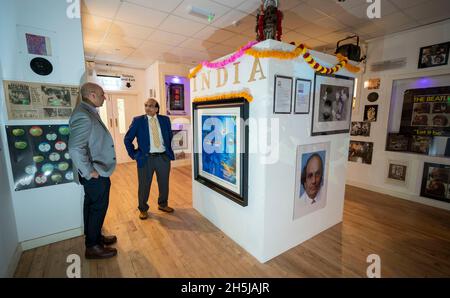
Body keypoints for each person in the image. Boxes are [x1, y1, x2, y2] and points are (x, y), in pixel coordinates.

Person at [68, 82, 118, 259]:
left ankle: (95, 238)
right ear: (92, 94)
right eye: (102, 94)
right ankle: (93, 247)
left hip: (94, 171)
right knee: (98, 208)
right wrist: (90, 172)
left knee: (91, 206)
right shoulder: (83, 115)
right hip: (95, 173)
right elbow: (75, 148)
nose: (104, 97)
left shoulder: (87, 112)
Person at [124, 98, 175, 220]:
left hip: (163, 157)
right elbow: (127, 139)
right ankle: (143, 209)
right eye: (146, 105)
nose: (147, 108)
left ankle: (163, 204)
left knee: (164, 183)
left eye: (151, 106)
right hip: (146, 159)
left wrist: (168, 151)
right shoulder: (138, 121)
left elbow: (169, 136)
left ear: (156, 109)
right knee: (144, 185)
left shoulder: (165, 120)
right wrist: (135, 154)